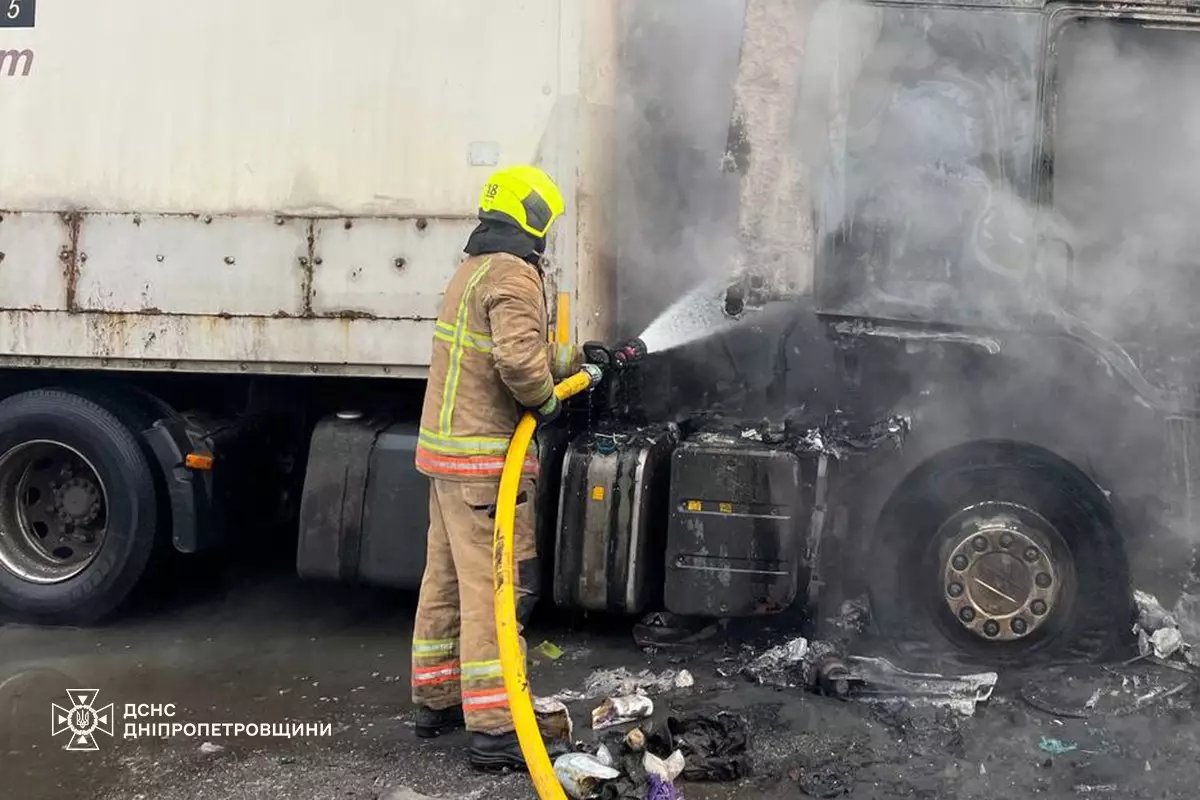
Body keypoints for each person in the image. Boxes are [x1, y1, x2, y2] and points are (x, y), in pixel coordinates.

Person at [410, 165, 580, 770]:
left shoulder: (471, 269)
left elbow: (504, 353)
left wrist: (570, 364)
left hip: (446, 457)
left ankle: (435, 701)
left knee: (446, 579)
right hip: (485, 463)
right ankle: (494, 726)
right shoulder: (513, 274)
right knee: (493, 589)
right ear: (532, 218)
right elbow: (517, 361)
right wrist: (549, 401)